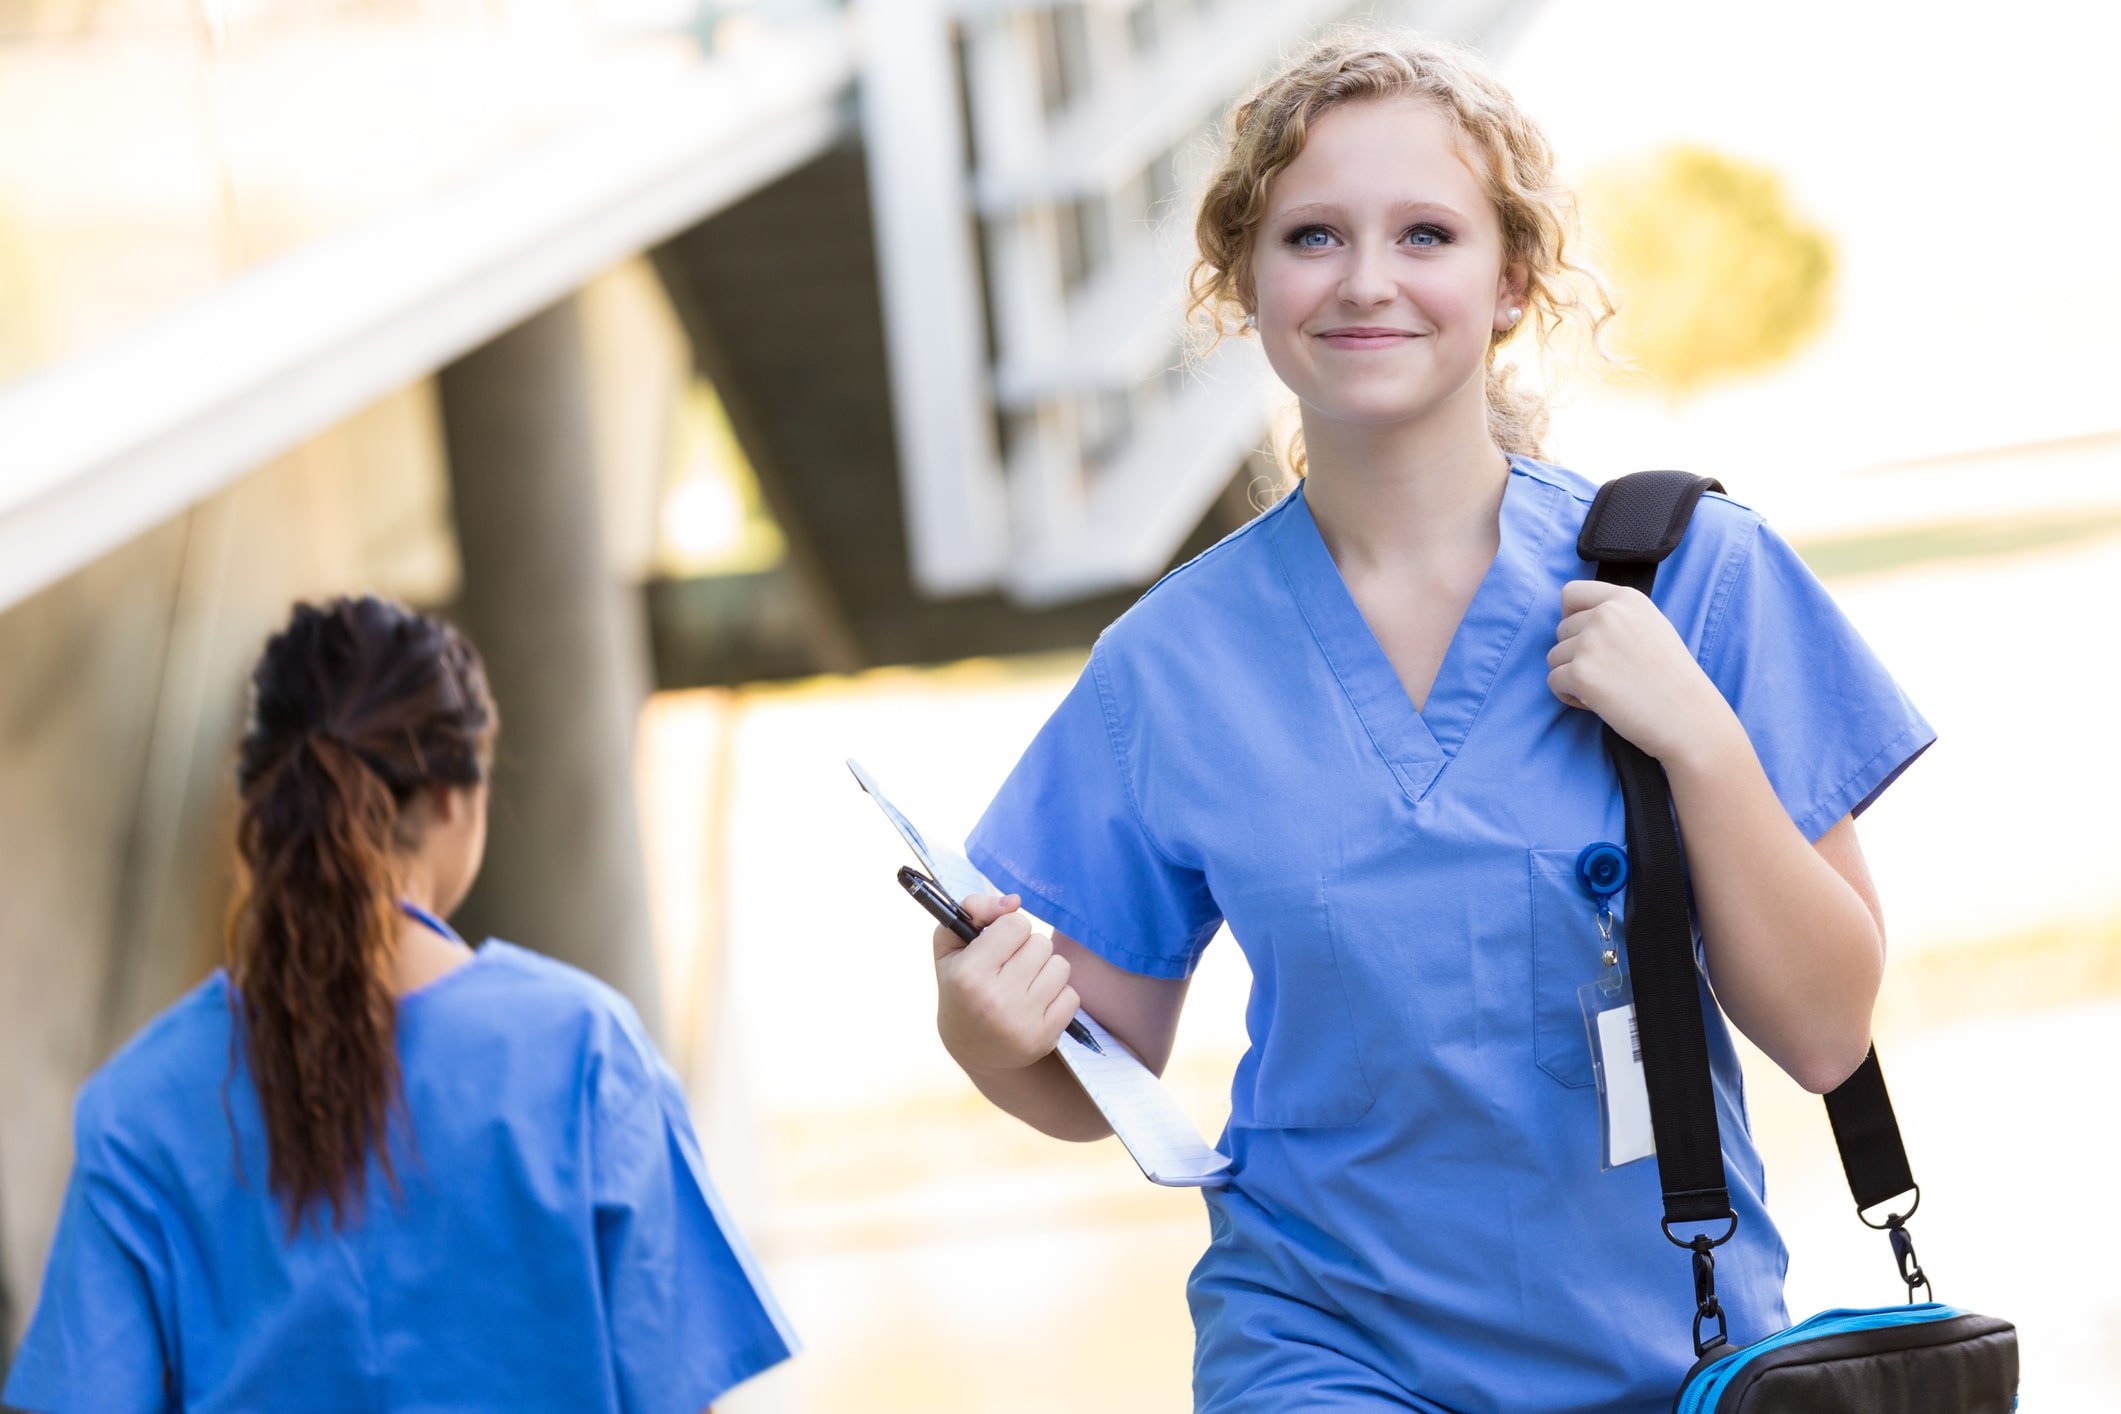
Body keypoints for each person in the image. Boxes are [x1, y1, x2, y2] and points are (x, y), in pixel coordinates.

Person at [929, 29, 1931, 1413]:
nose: (1366, 281)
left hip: (1669, 1352)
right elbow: (1099, 1067)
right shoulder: (1167, 667)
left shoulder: (1696, 572)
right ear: (1244, 280)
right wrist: (989, 1036)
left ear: (1512, 279)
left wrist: (1696, 737)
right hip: (1321, 1343)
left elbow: (1825, 1032)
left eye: (1427, 233)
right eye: (1312, 236)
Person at [4, 596, 795, 1413]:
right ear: (457, 797)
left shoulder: (139, 1107)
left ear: (261, 810)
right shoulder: (585, 1053)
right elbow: (678, 1395)